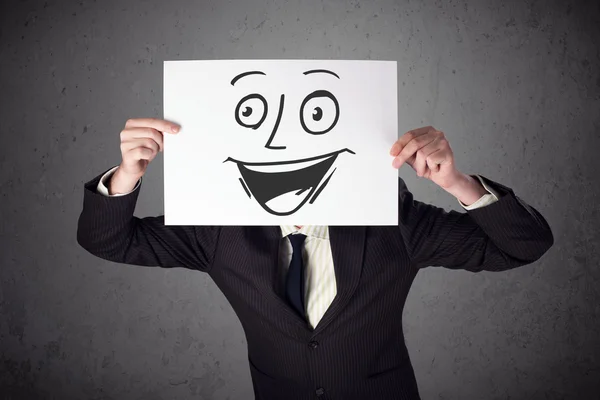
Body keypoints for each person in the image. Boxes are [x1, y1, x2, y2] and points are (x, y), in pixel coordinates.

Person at [77, 118, 554, 400]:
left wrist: (456, 182)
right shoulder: (218, 229)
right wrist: (126, 174)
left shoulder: (395, 221)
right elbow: (108, 240)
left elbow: (524, 245)